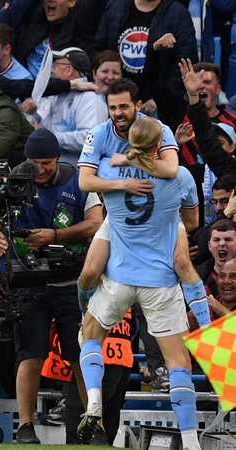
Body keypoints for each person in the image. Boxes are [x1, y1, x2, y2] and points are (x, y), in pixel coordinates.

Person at [77, 116, 201, 450]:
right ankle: (191, 441)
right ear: (162, 144)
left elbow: (86, 183)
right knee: (178, 363)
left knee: (90, 334)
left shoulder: (108, 168)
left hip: (119, 276)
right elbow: (192, 221)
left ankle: (93, 402)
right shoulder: (181, 176)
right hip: (160, 281)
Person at [0, 128, 103, 444]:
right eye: (35, 163)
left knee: (80, 355)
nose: (41, 169)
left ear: (57, 159)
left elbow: (96, 222)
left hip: (71, 281)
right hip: (27, 283)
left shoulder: (78, 180)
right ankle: (25, 426)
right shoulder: (13, 183)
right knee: (30, 355)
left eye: (47, 163)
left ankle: (95, 421)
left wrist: (55, 235)